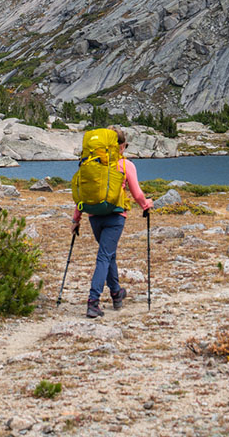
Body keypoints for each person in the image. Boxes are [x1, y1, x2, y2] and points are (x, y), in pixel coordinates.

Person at [71, 126, 152, 318]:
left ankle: (116, 293)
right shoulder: (125, 165)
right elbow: (137, 193)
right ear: (121, 146)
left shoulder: (91, 163)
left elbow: (82, 193)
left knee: (108, 254)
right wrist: (146, 204)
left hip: (94, 216)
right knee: (105, 256)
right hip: (115, 216)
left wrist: (76, 219)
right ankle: (93, 301)